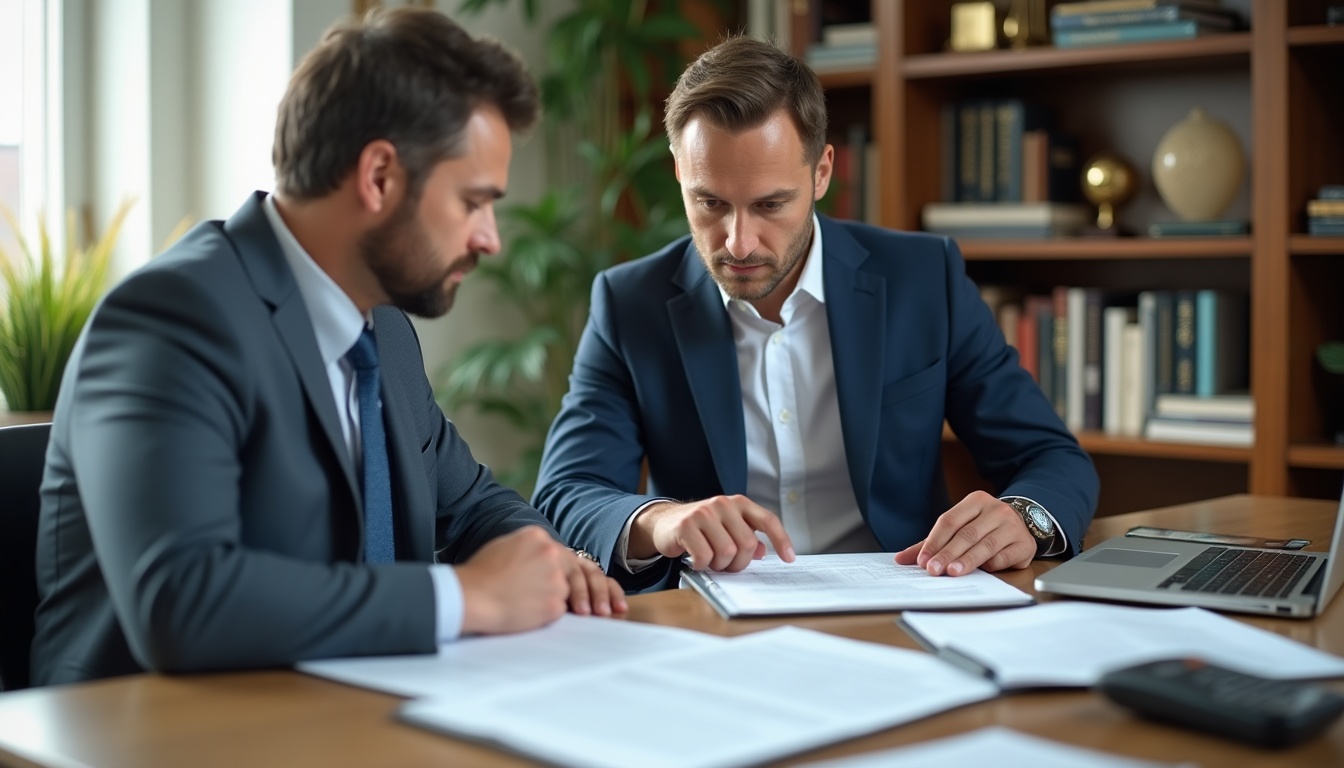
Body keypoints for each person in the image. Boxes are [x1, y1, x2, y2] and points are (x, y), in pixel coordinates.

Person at [30, 7, 625, 687]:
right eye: (472, 202)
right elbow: (183, 599)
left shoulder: (383, 331)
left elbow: (469, 505)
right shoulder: (170, 320)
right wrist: (469, 596)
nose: (490, 238)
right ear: (379, 177)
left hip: (345, 711)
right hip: (155, 728)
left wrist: (543, 558)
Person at [532, 35, 1099, 592]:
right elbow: (565, 492)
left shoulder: (925, 279)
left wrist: (1024, 518)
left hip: (904, 598)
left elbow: (1050, 456)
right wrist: (661, 520)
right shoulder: (630, 303)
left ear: (821, 173)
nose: (738, 242)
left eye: (770, 204)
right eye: (710, 202)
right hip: (714, 621)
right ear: (680, 171)